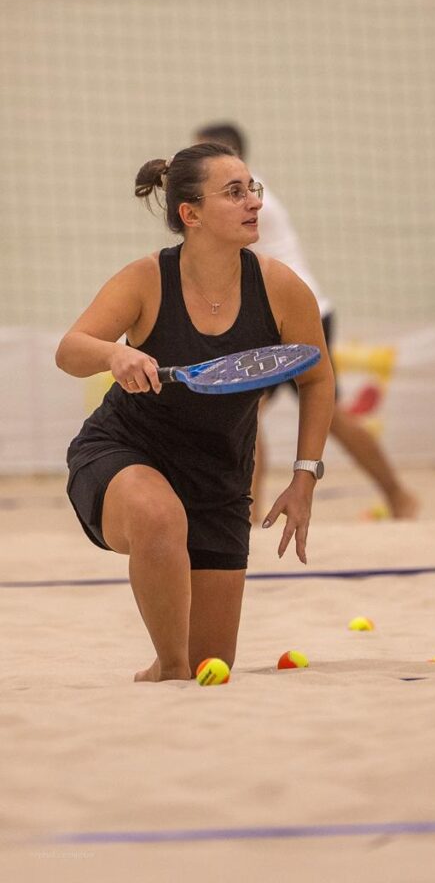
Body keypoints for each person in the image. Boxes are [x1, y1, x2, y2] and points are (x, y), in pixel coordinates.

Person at [56, 143, 335, 683]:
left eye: (252, 189)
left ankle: (161, 672)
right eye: (234, 192)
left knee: (213, 663)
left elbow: (318, 378)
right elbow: (70, 350)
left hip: (219, 479)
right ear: (191, 214)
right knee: (160, 519)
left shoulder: (281, 288)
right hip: (126, 452)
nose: (254, 202)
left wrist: (304, 478)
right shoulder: (146, 279)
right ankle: (170, 672)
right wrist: (114, 354)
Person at [194, 124, 419, 521]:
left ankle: (246, 516)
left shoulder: (241, 201)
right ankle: (397, 496)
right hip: (289, 308)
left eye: (200, 154)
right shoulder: (242, 194)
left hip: (293, 311)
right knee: (263, 413)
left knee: (253, 413)